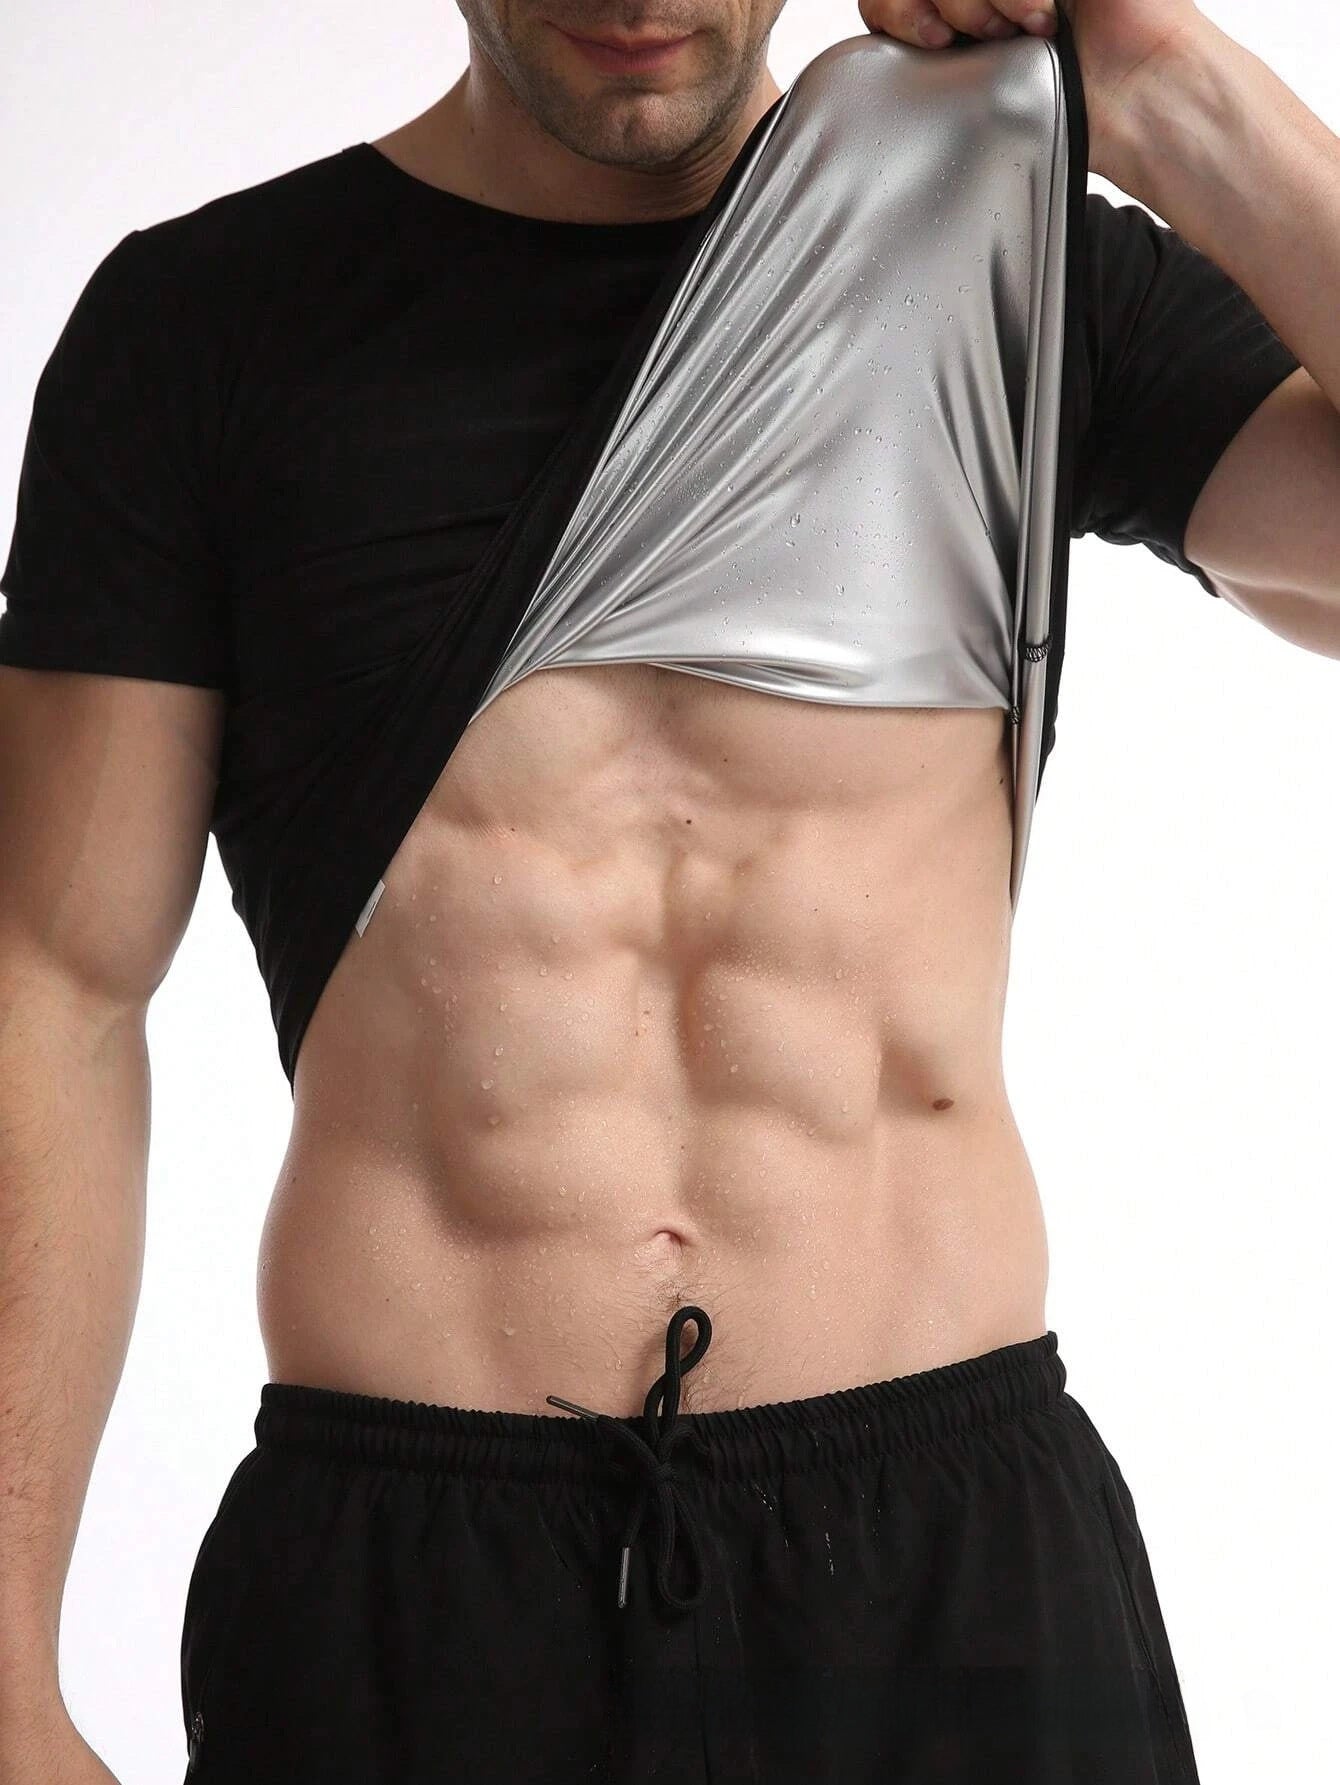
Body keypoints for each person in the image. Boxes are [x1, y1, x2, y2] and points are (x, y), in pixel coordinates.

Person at [1, 2, 1336, 1781]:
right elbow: (53, 984)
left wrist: (1163, 80)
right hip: (418, 1580)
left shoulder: (1006, 261)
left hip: (944, 1565)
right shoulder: (204, 329)